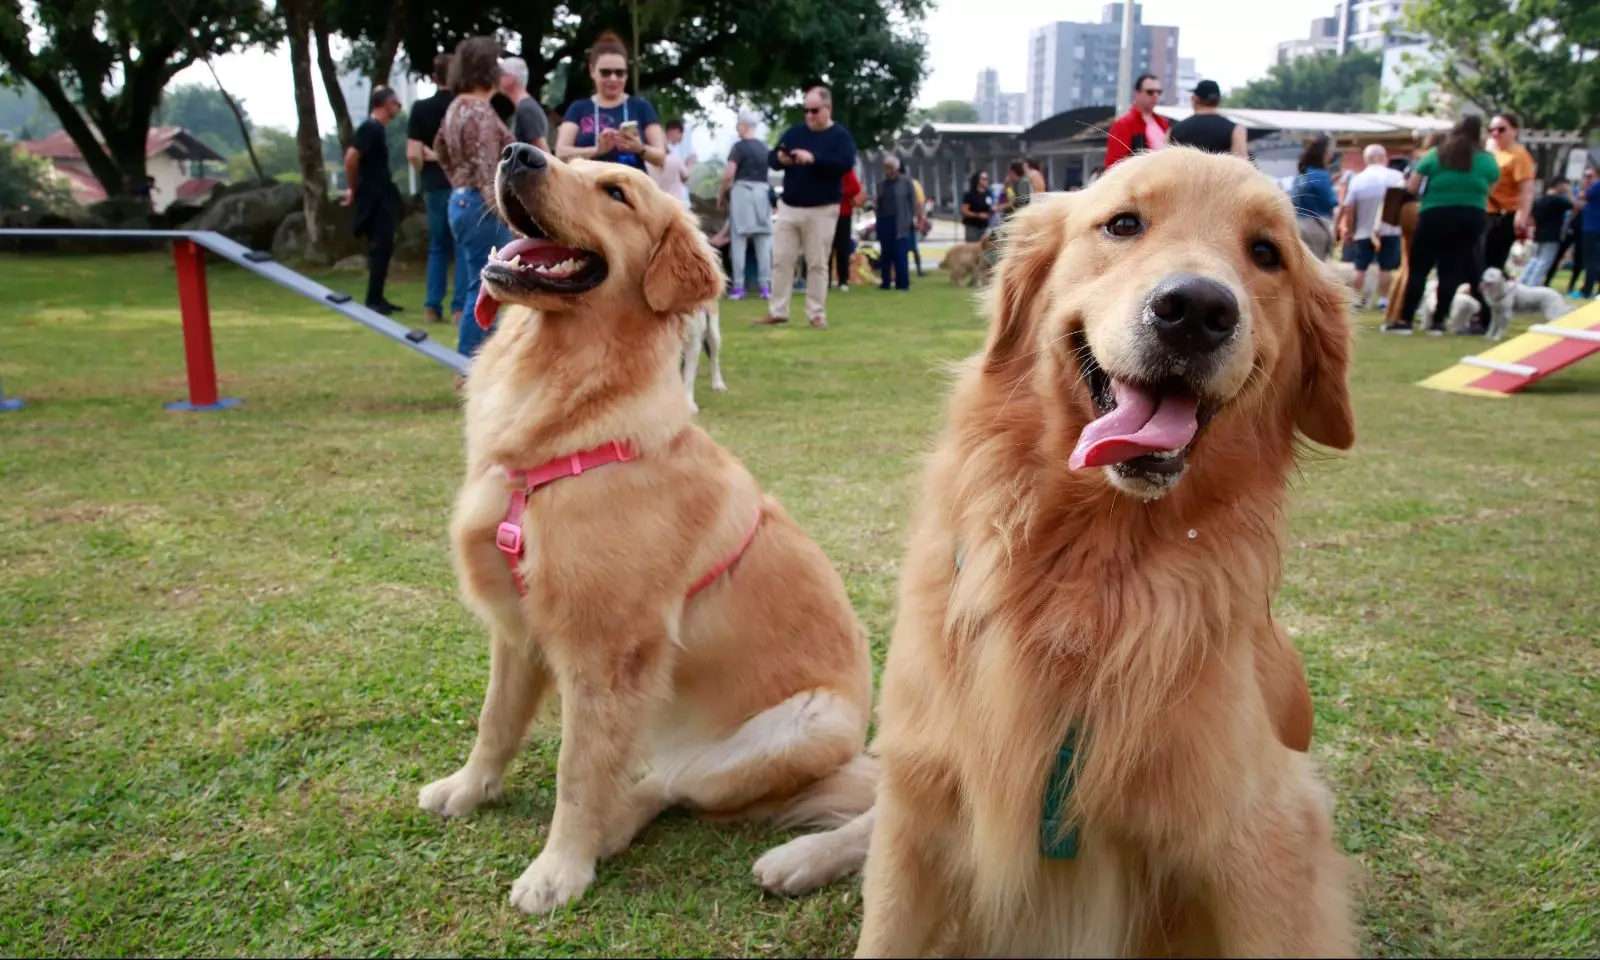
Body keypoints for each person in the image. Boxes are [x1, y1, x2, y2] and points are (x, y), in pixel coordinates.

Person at [434, 36, 514, 361]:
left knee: (474, 282)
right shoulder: (480, 111)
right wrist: (506, 212)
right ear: (486, 69)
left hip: (459, 200)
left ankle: (472, 359)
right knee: (486, 289)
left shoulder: (455, 108)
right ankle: (471, 361)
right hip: (482, 207)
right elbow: (486, 167)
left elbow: (439, 146)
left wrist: (456, 178)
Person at [754, 85, 857, 331]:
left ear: (827, 108)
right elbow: (772, 157)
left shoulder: (840, 137)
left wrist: (813, 160)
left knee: (817, 263)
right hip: (789, 206)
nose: (809, 116)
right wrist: (780, 159)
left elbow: (844, 164)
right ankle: (777, 311)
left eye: (814, 110)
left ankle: (816, 314)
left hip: (822, 209)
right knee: (781, 259)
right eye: (805, 111)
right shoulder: (794, 133)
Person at [1389, 114, 1500, 335]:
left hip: (1435, 213)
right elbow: (1492, 187)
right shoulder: (1486, 159)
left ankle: (1405, 320)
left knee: (1419, 268)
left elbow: (1412, 185)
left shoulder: (1437, 154)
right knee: (1451, 270)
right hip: (1471, 216)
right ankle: (1438, 322)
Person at [554, 32, 667, 172]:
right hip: (588, 186)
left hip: (631, 187)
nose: (613, 79)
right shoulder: (578, 108)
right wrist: (596, 150)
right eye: (605, 72)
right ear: (592, 71)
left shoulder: (642, 107)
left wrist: (639, 149)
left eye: (620, 73)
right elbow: (561, 153)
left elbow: (661, 157)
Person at [407, 53, 464, 326]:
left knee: (437, 247)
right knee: (461, 248)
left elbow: (413, 154)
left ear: (433, 77)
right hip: (461, 184)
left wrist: (429, 161)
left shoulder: (420, 108)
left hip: (433, 185)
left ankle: (432, 306)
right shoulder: (462, 108)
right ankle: (459, 309)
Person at [343, 86, 405, 315]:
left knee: (384, 246)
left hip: (381, 196)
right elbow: (351, 157)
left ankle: (377, 296)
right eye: (396, 103)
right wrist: (353, 189)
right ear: (386, 104)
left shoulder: (378, 130)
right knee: (380, 246)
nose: (398, 107)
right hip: (374, 199)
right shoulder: (370, 128)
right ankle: (373, 299)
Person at [1340, 144, 1406, 309]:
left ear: (1366, 159)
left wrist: (1349, 229)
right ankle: (1384, 300)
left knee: (1360, 268)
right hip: (1390, 230)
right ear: (1384, 158)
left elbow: (1350, 208)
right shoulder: (1397, 177)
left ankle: (1354, 300)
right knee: (1386, 267)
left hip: (1364, 230)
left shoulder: (1358, 179)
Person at [722, 108, 773, 300]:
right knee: (763, 242)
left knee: (739, 242)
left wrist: (722, 194)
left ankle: (738, 287)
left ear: (743, 126)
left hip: (742, 193)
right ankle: (765, 287)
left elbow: (729, 174)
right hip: (762, 194)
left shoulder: (738, 148)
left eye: (738, 124)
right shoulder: (765, 148)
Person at [1484, 111, 1535, 274]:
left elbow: (1526, 189)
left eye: (1501, 129)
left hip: (1503, 214)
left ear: (1514, 131)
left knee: (1493, 262)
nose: (1495, 133)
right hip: (1484, 212)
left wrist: (1522, 215)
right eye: (1491, 129)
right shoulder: (1490, 152)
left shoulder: (1519, 155)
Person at [1104, 74, 1169, 169]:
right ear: (1137, 93)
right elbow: (1113, 165)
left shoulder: (1163, 123)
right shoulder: (1124, 124)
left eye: (1159, 92)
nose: (1155, 95)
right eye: (1150, 92)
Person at [1166, 80, 1246, 157]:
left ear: (1195, 99)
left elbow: (1162, 163)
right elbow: (1242, 166)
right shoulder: (1236, 130)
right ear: (1218, 100)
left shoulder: (1174, 129)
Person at [1290, 135, 1338, 262]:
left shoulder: (1302, 173)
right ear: (1324, 153)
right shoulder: (1321, 175)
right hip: (1317, 226)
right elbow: (1330, 202)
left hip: (1298, 224)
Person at [874, 155, 917, 292]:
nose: (888, 171)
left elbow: (913, 203)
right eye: (886, 168)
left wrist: (913, 219)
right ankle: (885, 282)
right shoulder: (881, 184)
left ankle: (902, 283)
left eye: (890, 168)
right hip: (884, 221)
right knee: (885, 253)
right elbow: (878, 204)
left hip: (900, 222)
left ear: (897, 168)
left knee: (900, 254)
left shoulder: (906, 182)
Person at [1521, 178, 1573, 288]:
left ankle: (1523, 281)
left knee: (1534, 260)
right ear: (1559, 185)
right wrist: (1569, 192)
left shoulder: (1539, 200)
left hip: (1539, 233)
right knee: (1544, 262)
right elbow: (1573, 205)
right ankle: (1533, 285)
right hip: (1552, 235)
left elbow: (1533, 218)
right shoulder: (1558, 201)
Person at [497, 56, 550, 150]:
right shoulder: (524, 107)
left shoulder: (526, 108)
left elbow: (543, 151)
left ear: (512, 78)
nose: (497, 78)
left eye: (501, 73)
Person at [832, 167, 866, 292]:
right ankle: (826, 281)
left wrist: (839, 191)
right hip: (826, 213)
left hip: (843, 213)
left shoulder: (845, 169)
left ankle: (843, 280)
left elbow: (855, 187)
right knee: (826, 248)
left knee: (842, 248)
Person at [1579, 169, 1600, 299]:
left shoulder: (1597, 185)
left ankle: (1587, 289)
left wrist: (1587, 183)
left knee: (1591, 261)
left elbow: (1583, 196)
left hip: (1592, 228)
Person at [960, 170, 993, 242]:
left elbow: (989, 207)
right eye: (983, 179)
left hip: (984, 227)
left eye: (987, 179)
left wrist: (992, 211)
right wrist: (978, 215)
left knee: (984, 251)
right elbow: (964, 211)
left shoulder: (988, 194)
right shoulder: (970, 194)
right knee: (973, 249)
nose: (986, 181)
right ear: (977, 180)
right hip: (972, 227)